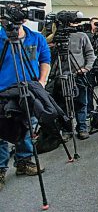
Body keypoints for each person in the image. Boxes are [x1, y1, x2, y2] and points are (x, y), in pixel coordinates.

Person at [0, 22, 50, 191]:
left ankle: (24, 161)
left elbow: (45, 59)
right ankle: (0, 169)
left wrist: (42, 81)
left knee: (27, 125)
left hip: (28, 90)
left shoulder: (36, 37)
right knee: (1, 131)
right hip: (3, 91)